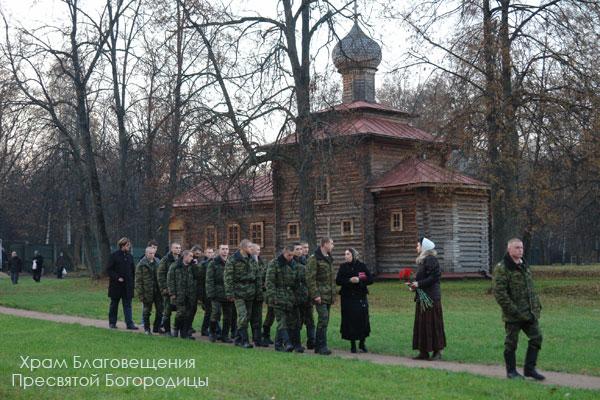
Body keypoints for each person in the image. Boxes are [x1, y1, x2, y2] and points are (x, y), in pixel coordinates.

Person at [493, 238, 545, 381]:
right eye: (517, 248)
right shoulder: (502, 268)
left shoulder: (524, 266)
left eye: (521, 247)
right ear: (509, 249)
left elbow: (530, 289)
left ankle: (530, 369)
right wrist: (513, 310)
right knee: (511, 343)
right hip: (513, 315)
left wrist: (536, 305)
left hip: (529, 312)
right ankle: (511, 372)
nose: (520, 250)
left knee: (537, 338)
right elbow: (500, 293)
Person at [408, 237, 446, 360]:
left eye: (418, 245)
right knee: (423, 324)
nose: (416, 248)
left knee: (433, 324)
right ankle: (423, 351)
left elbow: (433, 278)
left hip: (431, 298)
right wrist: (414, 286)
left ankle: (437, 352)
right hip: (423, 297)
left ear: (424, 248)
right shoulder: (423, 261)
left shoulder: (431, 260)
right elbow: (423, 278)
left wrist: (418, 284)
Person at [336, 248, 373, 353]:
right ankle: (352, 344)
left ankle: (362, 342)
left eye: (348, 254)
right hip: (347, 298)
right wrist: (349, 280)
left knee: (362, 319)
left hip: (360, 297)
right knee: (350, 321)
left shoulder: (361, 266)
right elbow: (338, 281)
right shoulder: (343, 267)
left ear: (353, 255)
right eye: (345, 254)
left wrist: (359, 280)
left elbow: (370, 279)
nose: (346, 256)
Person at [224, 239, 258, 349]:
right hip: (238, 291)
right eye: (250, 247)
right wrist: (229, 293)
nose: (252, 249)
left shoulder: (252, 259)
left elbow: (257, 275)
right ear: (243, 248)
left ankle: (238, 339)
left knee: (247, 316)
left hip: (250, 291)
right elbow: (228, 277)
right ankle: (245, 341)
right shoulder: (233, 259)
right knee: (242, 315)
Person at [266, 245, 299, 352]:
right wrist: (273, 297)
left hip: (289, 297)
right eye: (289, 255)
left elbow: (295, 282)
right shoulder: (274, 264)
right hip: (277, 296)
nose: (290, 257)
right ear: (284, 253)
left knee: (287, 321)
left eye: (292, 255)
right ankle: (287, 343)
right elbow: (269, 282)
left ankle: (278, 344)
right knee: (281, 321)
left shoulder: (294, 264)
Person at [306, 237, 335, 355]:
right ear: (325, 244)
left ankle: (319, 346)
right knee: (323, 318)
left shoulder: (328, 258)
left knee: (325, 320)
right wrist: (315, 294)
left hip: (328, 294)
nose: (333, 245)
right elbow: (310, 278)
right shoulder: (314, 259)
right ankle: (322, 346)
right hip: (320, 295)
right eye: (331, 243)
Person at [107, 237, 138, 330]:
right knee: (114, 304)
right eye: (128, 245)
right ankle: (112, 323)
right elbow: (109, 269)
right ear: (122, 245)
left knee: (128, 305)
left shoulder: (130, 257)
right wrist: (117, 278)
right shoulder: (114, 256)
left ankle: (129, 324)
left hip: (127, 286)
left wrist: (132, 283)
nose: (129, 247)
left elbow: (133, 271)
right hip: (116, 286)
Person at [206, 244, 233, 343]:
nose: (225, 251)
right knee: (215, 313)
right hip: (216, 293)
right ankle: (212, 333)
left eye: (226, 249)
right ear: (219, 250)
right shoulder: (213, 263)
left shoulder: (231, 262)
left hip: (228, 293)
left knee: (228, 316)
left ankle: (225, 335)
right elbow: (209, 280)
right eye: (223, 249)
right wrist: (211, 294)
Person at [167, 249, 197, 339]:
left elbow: (199, 275)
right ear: (185, 256)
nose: (192, 258)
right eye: (190, 256)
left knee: (188, 315)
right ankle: (176, 328)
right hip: (179, 294)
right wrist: (172, 293)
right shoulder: (175, 266)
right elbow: (170, 280)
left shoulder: (192, 267)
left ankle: (185, 333)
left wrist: (195, 266)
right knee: (180, 313)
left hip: (190, 294)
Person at [135, 246, 164, 335]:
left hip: (158, 291)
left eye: (153, 253)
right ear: (146, 253)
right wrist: (140, 294)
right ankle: (147, 329)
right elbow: (138, 281)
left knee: (160, 310)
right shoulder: (141, 265)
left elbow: (161, 276)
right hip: (147, 291)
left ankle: (157, 327)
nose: (152, 255)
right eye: (150, 253)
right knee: (147, 311)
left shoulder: (158, 262)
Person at [157, 242, 181, 336]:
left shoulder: (180, 259)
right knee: (167, 310)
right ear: (171, 249)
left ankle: (176, 329)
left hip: (178, 290)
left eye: (179, 248)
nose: (178, 249)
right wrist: (164, 288)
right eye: (176, 248)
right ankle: (167, 330)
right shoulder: (166, 259)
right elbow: (161, 274)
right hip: (168, 289)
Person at [299, 241, 315, 349]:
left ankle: (311, 341)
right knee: (298, 321)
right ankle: (296, 342)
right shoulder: (295, 261)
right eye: (304, 247)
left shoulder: (310, 260)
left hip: (309, 296)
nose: (306, 249)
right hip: (299, 296)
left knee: (310, 320)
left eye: (307, 247)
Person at [188, 245, 204, 336]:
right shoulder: (191, 261)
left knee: (193, 309)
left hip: (197, 288)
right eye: (196, 253)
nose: (197, 255)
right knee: (190, 309)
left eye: (199, 253)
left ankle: (190, 326)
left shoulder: (200, 261)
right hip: (191, 288)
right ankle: (187, 326)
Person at [199, 247, 215, 336]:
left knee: (213, 311)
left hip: (214, 291)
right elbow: (200, 281)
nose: (210, 254)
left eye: (212, 252)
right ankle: (204, 329)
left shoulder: (214, 263)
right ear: (205, 254)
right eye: (208, 252)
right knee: (209, 311)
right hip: (206, 292)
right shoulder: (203, 265)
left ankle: (211, 329)